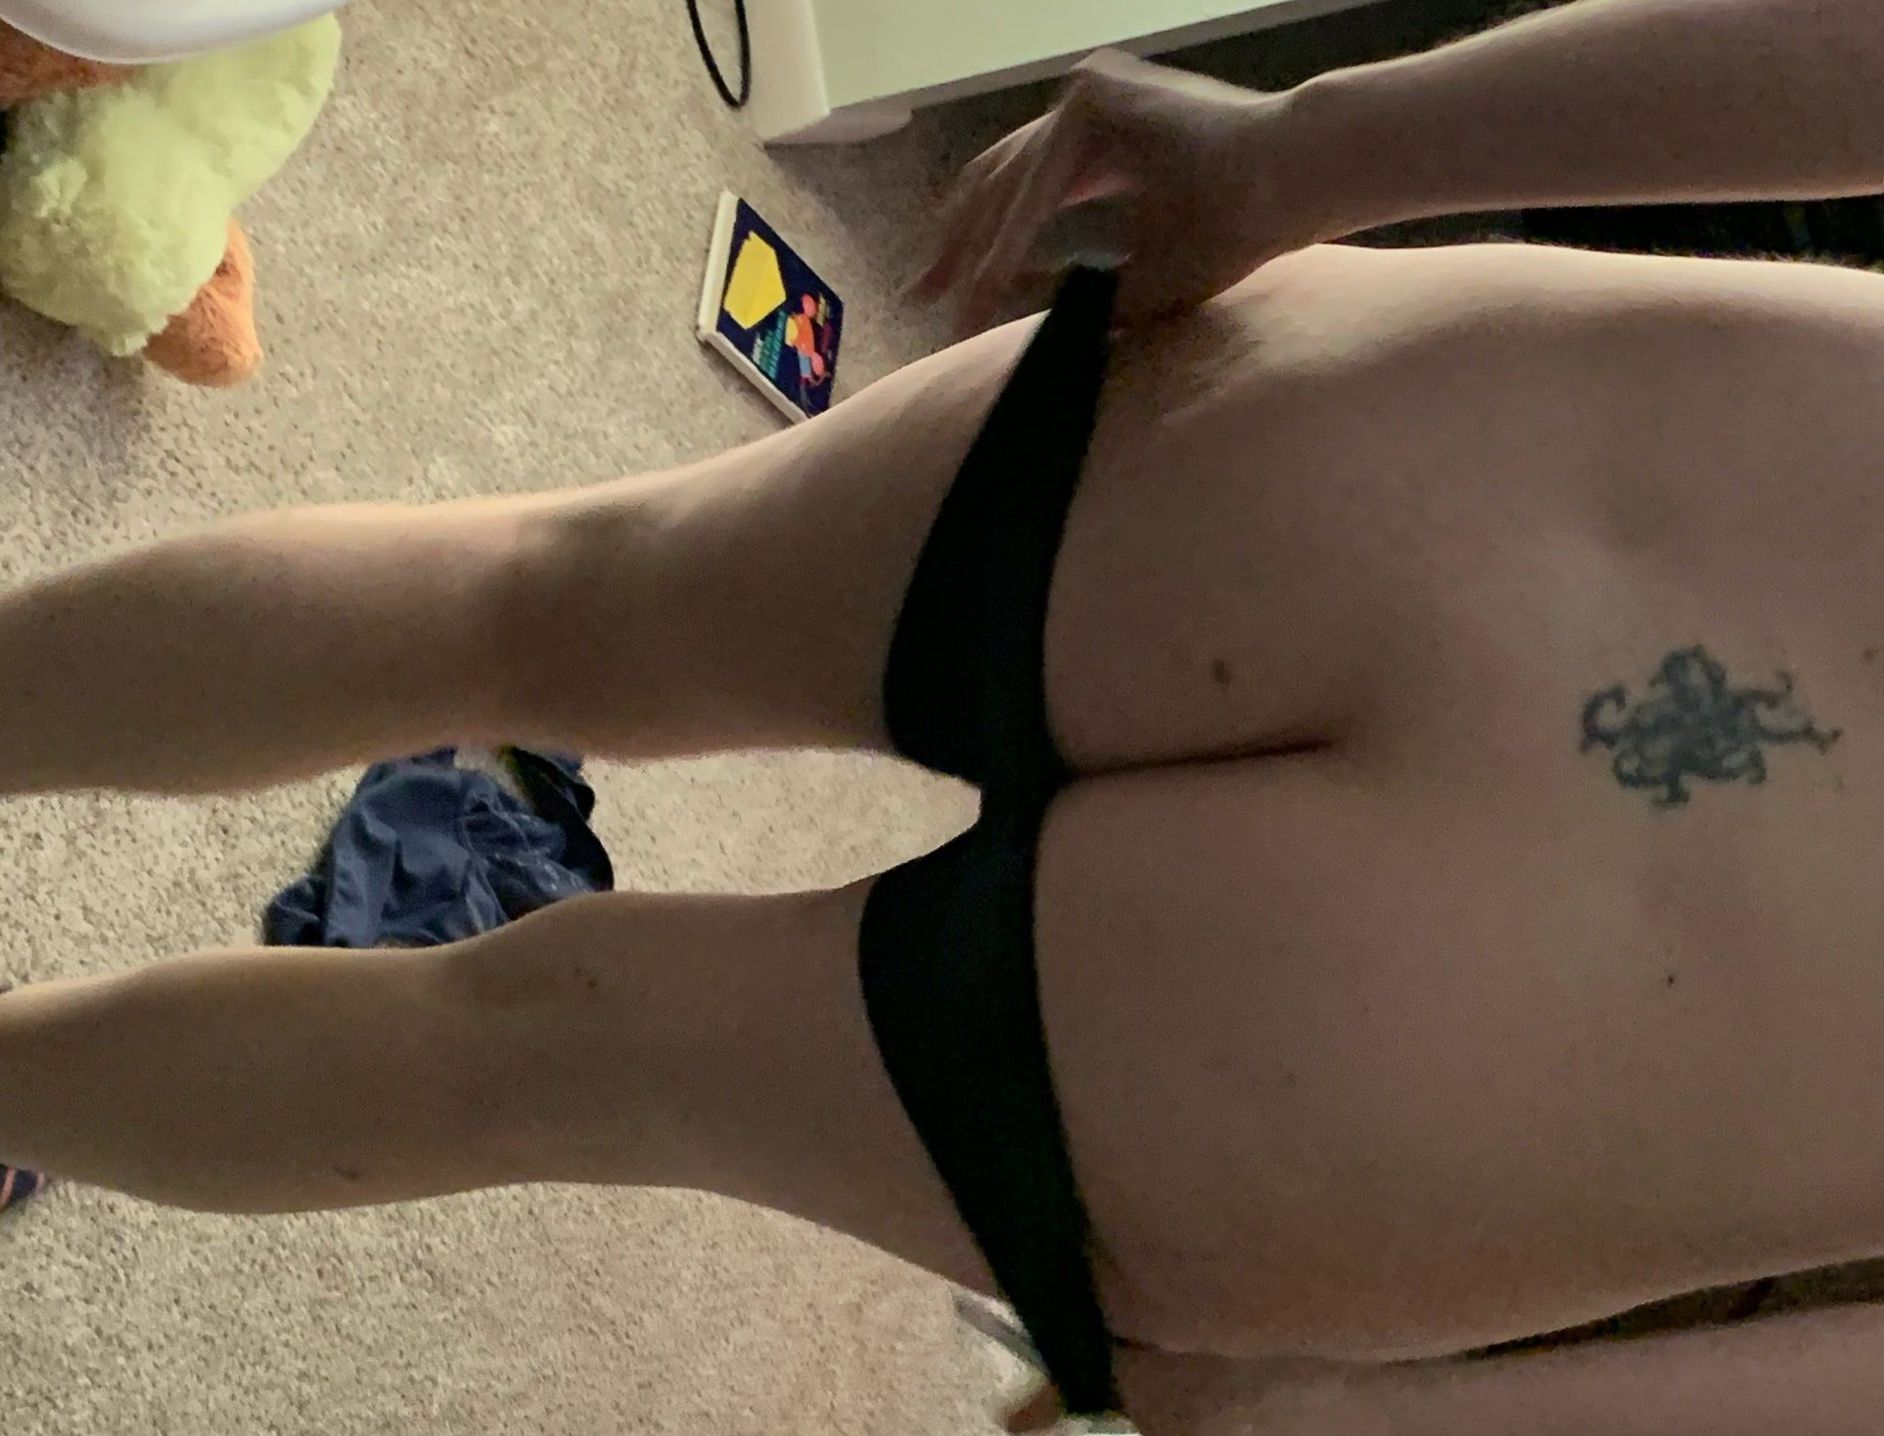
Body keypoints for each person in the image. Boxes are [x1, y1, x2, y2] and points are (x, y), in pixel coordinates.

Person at [7, 0, 1884, 1428]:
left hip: (1523, 493)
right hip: (1500, 1074)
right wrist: (1373, 1424)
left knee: (534, 596)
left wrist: (1306, 149)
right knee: (531, 1063)